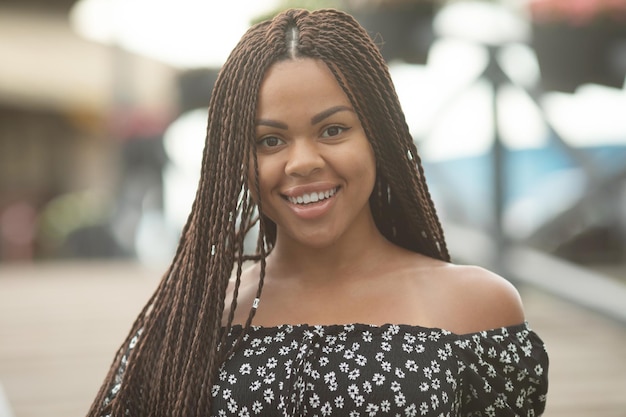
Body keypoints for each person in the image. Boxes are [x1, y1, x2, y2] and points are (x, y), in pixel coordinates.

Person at [87, 8, 549, 417]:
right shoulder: (189, 322)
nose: (302, 161)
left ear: (378, 137)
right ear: (237, 158)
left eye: (332, 130)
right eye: (270, 140)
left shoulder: (477, 306)